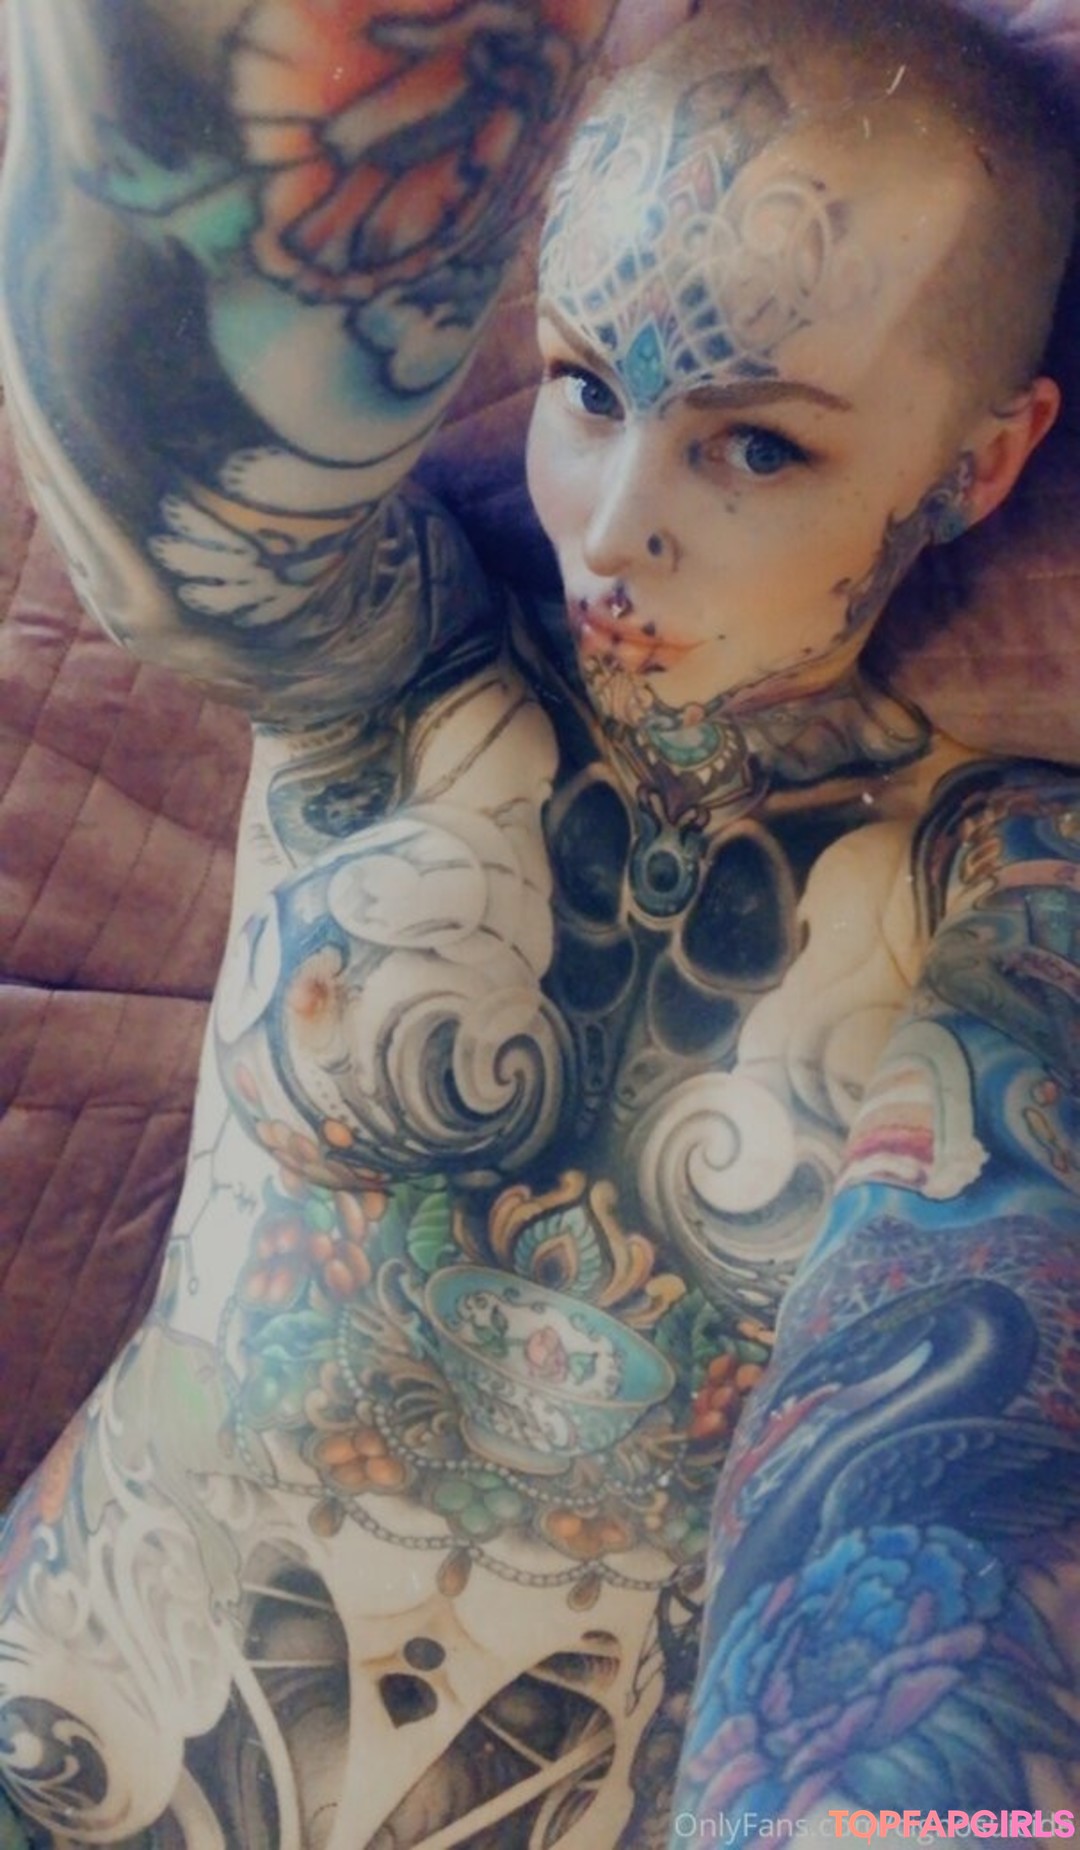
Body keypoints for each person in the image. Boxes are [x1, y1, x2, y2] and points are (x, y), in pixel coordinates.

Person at [0, 0, 1078, 1844]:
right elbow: (159, 441)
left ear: (978, 467)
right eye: (586, 385)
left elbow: (944, 1461)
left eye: (757, 448)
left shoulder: (1015, 885)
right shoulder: (389, 669)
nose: (613, 527)